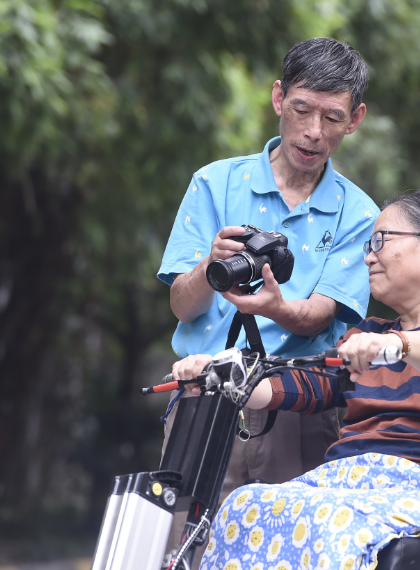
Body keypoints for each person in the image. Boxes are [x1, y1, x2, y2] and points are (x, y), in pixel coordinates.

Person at [173, 189, 420, 570]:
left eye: (380, 241)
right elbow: (301, 384)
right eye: (367, 246)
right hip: (347, 486)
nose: (369, 256)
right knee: (242, 507)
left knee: (336, 520)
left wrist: (397, 345)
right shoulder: (366, 336)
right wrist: (222, 378)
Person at [157, 38, 379, 555]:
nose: (313, 132)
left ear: (355, 119)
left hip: (299, 406)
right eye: (302, 109)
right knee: (185, 551)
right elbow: (182, 304)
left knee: (295, 554)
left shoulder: (361, 215)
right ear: (279, 98)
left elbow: (320, 315)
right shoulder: (214, 184)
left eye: (332, 117)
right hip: (204, 393)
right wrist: (209, 267)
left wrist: (276, 308)